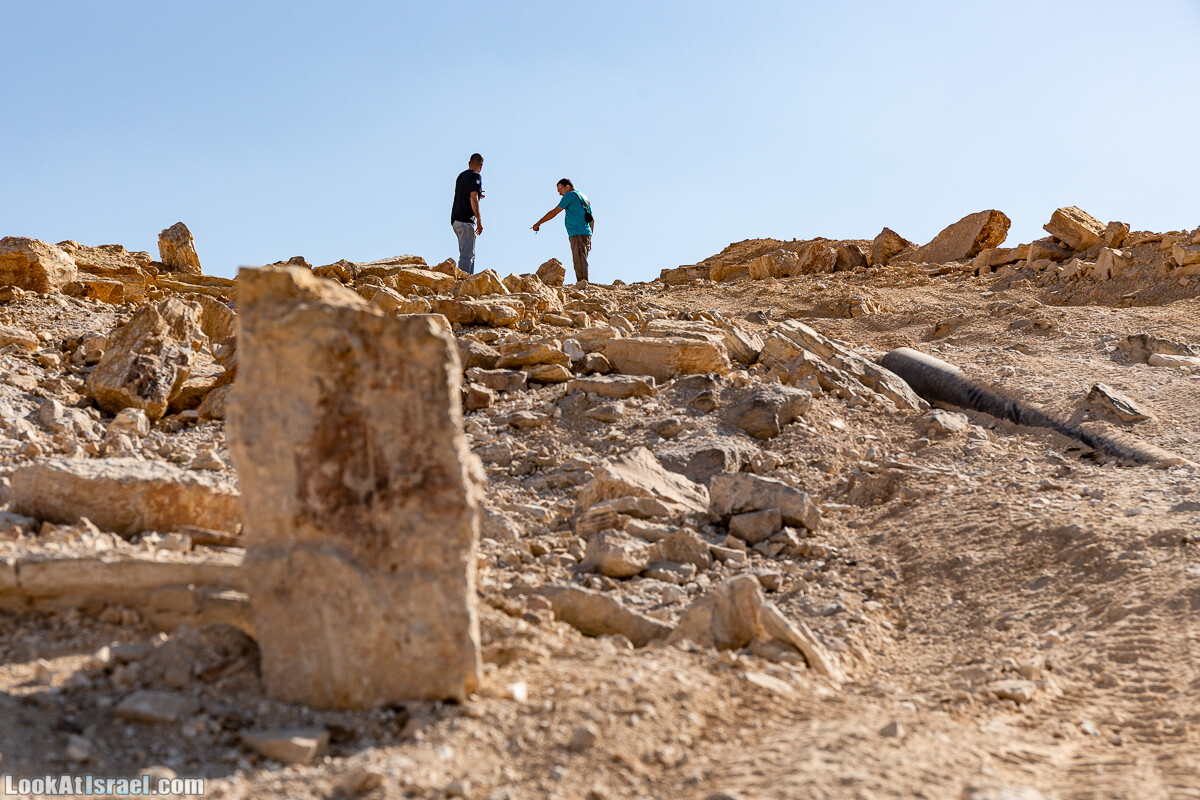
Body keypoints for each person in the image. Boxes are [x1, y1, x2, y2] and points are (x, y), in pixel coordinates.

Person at [532, 178, 592, 283]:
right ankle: (583, 283)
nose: (560, 193)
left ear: (567, 187)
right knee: (581, 258)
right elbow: (592, 219)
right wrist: (590, 236)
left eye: (560, 190)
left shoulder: (569, 195)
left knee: (579, 260)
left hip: (577, 232)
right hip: (585, 233)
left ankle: (583, 284)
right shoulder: (584, 197)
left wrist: (538, 223)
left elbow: (554, 212)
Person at [451, 153, 484, 274]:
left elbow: (465, 192)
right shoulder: (476, 176)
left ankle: (466, 278)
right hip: (465, 220)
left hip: (455, 220)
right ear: (481, 166)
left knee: (467, 252)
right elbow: (473, 196)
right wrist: (479, 220)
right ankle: (462, 283)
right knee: (467, 255)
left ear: (469, 163)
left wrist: (478, 193)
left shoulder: (461, 176)